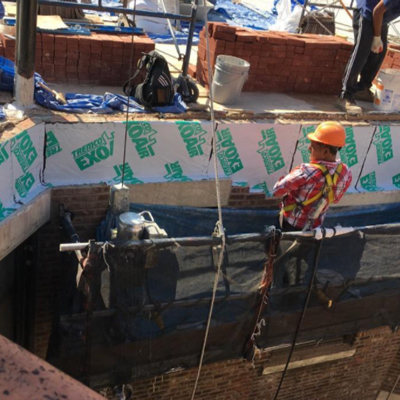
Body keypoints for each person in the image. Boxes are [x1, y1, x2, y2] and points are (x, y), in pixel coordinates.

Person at [272, 121, 352, 287]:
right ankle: (294, 286)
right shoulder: (345, 172)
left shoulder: (305, 171)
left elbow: (278, 190)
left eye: (313, 146)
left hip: (290, 225)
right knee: (299, 258)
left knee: (279, 257)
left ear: (324, 150)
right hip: (314, 228)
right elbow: (335, 199)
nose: (309, 149)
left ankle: (275, 285)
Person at [337, 0, 400, 113]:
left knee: (379, 52)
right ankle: (345, 95)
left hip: (381, 16)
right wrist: (376, 37)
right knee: (361, 53)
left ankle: (363, 89)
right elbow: (377, 11)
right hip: (368, 13)